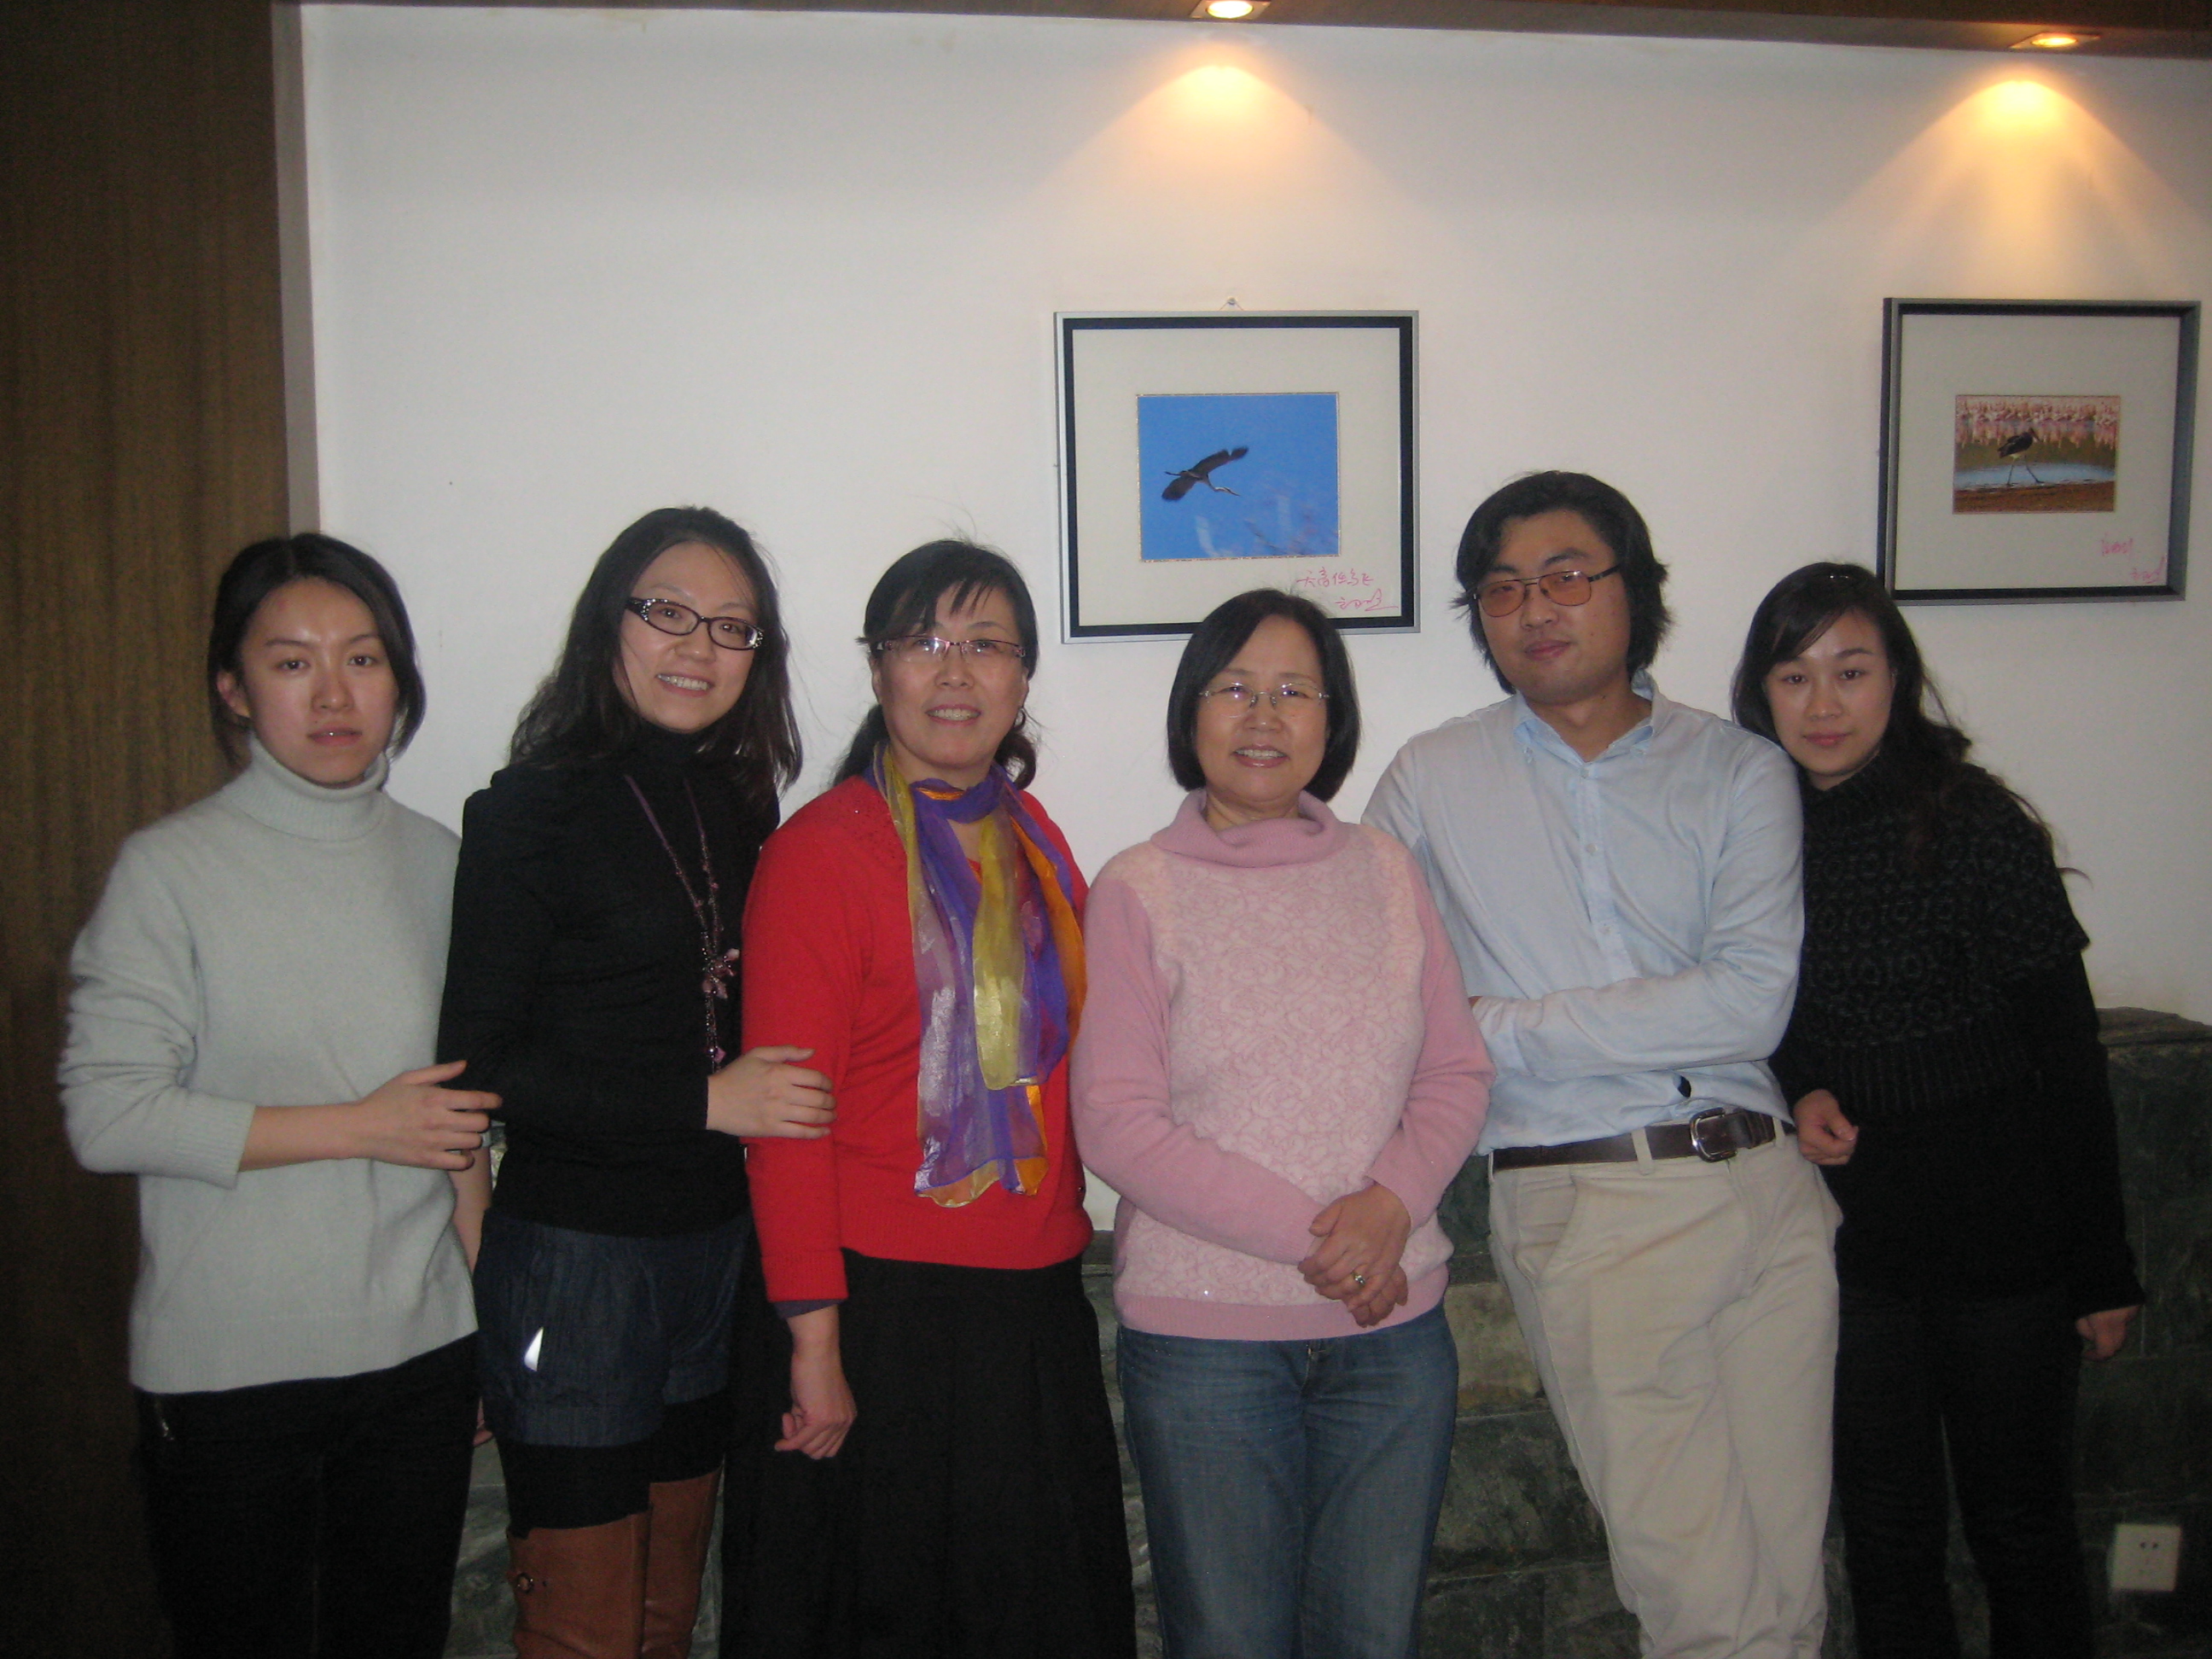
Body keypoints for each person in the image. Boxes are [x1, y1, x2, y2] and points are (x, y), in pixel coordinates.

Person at [1365, 472, 1835, 1659]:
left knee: (1789, 1594)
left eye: (1567, 576)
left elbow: (1751, 1004)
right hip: (1594, 1200)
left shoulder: (1740, 770)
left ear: (1636, 590)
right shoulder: (1429, 780)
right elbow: (1375, 987)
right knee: (1706, 1610)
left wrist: (1503, 1025)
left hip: (1772, 1193)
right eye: (1503, 589)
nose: (1536, 608)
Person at [60, 534, 493, 1658]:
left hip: (420, 1361)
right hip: (233, 1377)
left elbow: (457, 1119)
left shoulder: (443, 862)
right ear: (234, 688)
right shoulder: (169, 871)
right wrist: (360, 1127)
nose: (335, 694)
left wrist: (483, 1316)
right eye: (293, 662)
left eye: (364, 658)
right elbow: (107, 1114)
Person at [722, 540, 1135, 1658]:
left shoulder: (1039, 845)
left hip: (1029, 1308)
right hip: (874, 1314)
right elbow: (785, 1123)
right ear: (878, 671)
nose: (956, 672)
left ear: (1024, 677)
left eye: (987, 645)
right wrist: (815, 1344)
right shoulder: (822, 853)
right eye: (923, 642)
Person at [439, 506, 832, 1659]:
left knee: (668, 1607)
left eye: (732, 626)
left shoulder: (743, 806)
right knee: (585, 1621)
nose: (698, 646)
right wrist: (704, 1101)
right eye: (668, 612)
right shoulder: (527, 810)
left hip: (713, 1250)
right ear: (608, 621)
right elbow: (480, 1066)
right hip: (575, 1259)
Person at [1071, 589, 1492, 1658]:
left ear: (1332, 719)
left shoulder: (1387, 872)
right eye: (1235, 688)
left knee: (1373, 1639)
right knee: (1229, 1641)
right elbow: (1116, 1125)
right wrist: (1333, 1242)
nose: (1264, 715)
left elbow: (1454, 1071)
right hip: (1207, 1348)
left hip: (1392, 1342)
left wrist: (1391, 1207)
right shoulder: (1138, 888)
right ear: (1192, 712)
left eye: (1296, 690)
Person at [1732, 562, 2141, 1659]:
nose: (1823, 704)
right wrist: (1803, 1083)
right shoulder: (1753, 833)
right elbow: (1759, 1007)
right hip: (1856, 1247)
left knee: (2023, 1527)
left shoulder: (1974, 821)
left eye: (1851, 671)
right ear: (1760, 693)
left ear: (1898, 678)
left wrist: (2102, 1266)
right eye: (1794, 676)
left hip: (2006, 1240)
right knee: (1886, 1534)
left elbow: (2069, 1057)